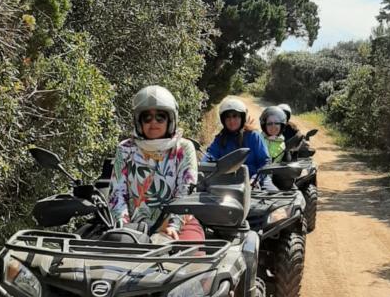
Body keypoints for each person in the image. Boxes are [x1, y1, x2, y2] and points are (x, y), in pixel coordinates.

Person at [108, 85, 204, 242]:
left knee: (192, 260)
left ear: (171, 119)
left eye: (160, 117)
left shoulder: (184, 148)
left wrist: (174, 224)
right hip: (134, 225)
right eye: (147, 117)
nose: (153, 122)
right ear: (139, 121)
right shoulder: (125, 148)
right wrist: (122, 225)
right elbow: (117, 193)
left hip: (178, 223)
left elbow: (186, 192)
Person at [205, 97, 269, 179]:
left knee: (274, 190)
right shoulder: (220, 139)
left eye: (235, 116)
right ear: (223, 120)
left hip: (254, 183)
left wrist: (256, 179)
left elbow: (265, 162)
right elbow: (209, 155)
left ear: (242, 118)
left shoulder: (254, 136)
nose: (231, 121)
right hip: (225, 183)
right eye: (227, 117)